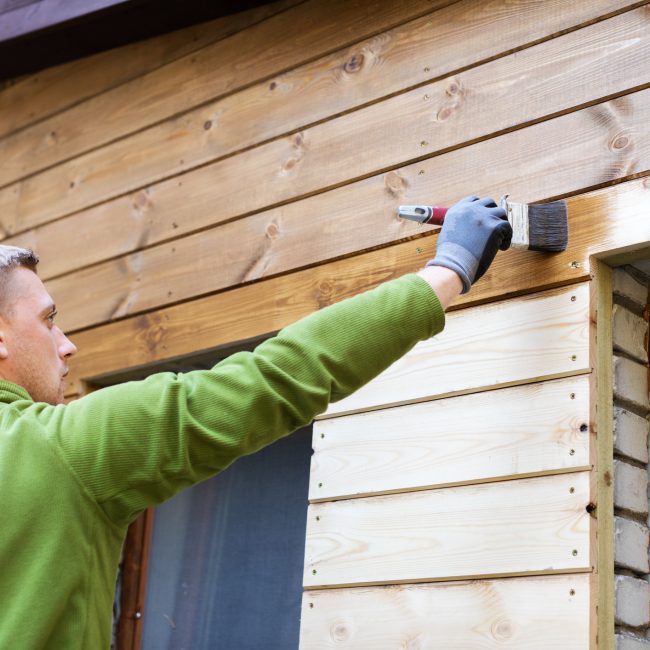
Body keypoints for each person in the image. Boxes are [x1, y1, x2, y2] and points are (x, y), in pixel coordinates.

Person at [0, 196, 510, 648]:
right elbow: (271, 380)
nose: (67, 343)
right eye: (47, 320)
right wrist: (449, 268)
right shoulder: (58, 448)